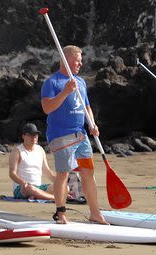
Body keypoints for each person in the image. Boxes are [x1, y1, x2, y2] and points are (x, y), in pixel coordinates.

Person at [41, 45, 107, 224]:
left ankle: (95, 213)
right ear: (66, 60)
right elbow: (47, 108)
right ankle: (61, 213)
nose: (81, 63)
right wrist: (65, 92)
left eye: (80, 60)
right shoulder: (52, 82)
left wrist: (92, 124)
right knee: (64, 173)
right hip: (62, 137)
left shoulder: (81, 82)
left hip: (81, 136)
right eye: (77, 60)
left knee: (88, 171)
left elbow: (87, 107)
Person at [8, 123, 56, 201]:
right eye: (30, 135)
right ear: (23, 136)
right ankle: (57, 198)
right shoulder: (17, 151)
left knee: (64, 188)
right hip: (22, 188)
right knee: (30, 189)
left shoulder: (40, 149)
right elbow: (12, 173)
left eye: (35, 135)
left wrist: (59, 183)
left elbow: (47, 171)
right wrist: (23, 183)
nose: (33, 138)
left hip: (39, 187)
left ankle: (39, 195)